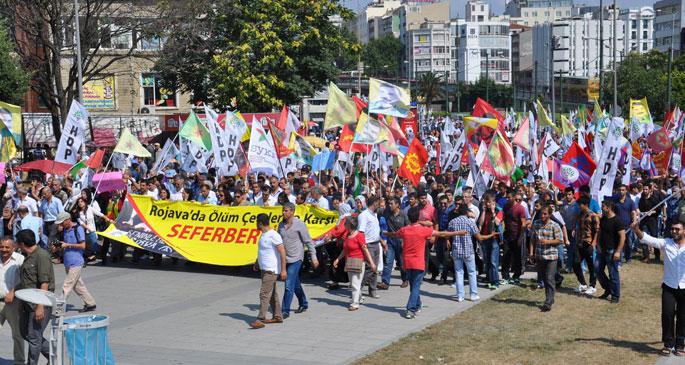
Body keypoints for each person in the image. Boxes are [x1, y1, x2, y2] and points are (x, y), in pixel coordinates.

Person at [633, 218, 685, 356]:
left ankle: (680, 344)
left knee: (683, 316)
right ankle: (668, 343)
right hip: (669, 286)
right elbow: (648, 239)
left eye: (677, 229)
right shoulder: (666, 243)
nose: (674, 231)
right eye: (672, 229)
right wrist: (636, 229)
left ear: (684, 231)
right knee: (667, 314)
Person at [16, 228, 55, 365]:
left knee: (34, 337)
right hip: (27, 303)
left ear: (21, 243)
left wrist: (40, 306)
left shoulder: (42, 256)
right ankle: (53, 354)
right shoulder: (27, 256)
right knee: (25, 333)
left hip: (39, 303)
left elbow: (44, 283)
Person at [278, 202, 318, 319]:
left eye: (285, 211)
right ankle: (303, 303)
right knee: (295, 284)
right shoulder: (280, 225)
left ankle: (285, 310)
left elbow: (309, 242)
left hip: (296, 259)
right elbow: (277, 242)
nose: (283, 213)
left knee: (288, 284)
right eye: (283, 210)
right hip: (285, 259)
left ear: (292, 212)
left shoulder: (300, 225)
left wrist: (314, 257)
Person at [54, 211, 97, 312]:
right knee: (78, 285)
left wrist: (67, 245)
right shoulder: (64, 231)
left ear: (68, 220)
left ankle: (59, 307)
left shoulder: (78, 228)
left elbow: (82, 246)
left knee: (67, 285)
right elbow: (64, 245)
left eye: (62, 223)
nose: (60, 225)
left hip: (76, 262)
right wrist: (58, 247)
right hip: (68, 262)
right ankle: (91, 303)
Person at [250, 213, 287, 329]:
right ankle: (277, 316)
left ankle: (260, 318)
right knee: (272, 295)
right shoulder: (263, 234)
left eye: (256, 222)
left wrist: (283, 270)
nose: (255, 224)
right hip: (264, 268)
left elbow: (282, 252)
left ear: (260, 223)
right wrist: (257, 262)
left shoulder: (273, 235)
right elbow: (262, 250)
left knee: (264, 293)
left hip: (271, 270)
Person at [333, 216, 377, 311]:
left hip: (358, 262)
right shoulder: (347, 236)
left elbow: (365, 250)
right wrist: (338, 259)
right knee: (353, 283)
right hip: (349, 262)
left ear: (349, 225)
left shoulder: (359, 235)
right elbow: (345, 250)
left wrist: (372, 263)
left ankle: (355, 303)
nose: (344, 225)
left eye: (345, 223)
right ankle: (359, 298)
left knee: (355, 284)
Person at [448, 204, 485, 302]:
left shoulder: (452, 222)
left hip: (456, 250)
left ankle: (460, 295)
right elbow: (478, 237)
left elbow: (448, 234)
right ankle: (473, 294)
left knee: (459, 272)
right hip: (468, 251)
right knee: (472, 272)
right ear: (466, 212)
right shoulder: (470, 222)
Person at [532, 205, 564, 312]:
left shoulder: (554, 225)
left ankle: (548, 302)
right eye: (542, 213)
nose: (543, 215)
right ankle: (550, 297)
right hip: (540, 256)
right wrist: (532, 253)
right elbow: (533, 239)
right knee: (545, 279)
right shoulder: (536, 224)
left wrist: (548, 242)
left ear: (550, 214)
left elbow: (560, 240)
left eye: (545, 214)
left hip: (551, 256)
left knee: (549, 278)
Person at [0, 236, 25, 364]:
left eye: (7, 247)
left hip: (13, 303)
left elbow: (26, 280)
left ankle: (20, 362)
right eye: (1, 246)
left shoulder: (20, 260)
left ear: (14, 247)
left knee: (17, 334)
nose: (3, 249)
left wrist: (13, 292)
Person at [596, 200, 625, 303]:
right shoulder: (603, 219)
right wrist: (598, 244)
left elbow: (622, 236)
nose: (601, 209)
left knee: (613, 274)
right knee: (598, 270)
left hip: (612, 250)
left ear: (608, 208)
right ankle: (608, 288)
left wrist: (618, 251)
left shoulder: (617, 220)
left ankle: (615, 295)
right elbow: (599, 232)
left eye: (603, 207)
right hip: (602, 250)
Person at [379, 196, 409, 289]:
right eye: (389, 203)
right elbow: (378, 209)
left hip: (401, 241)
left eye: (392, 203)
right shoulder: (386, 213)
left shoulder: (403, 214)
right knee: (388, 262)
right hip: (390, 241)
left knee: (402, 263)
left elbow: (408, 228)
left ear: (397, 205)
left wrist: (405, 241)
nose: (390, 205)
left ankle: (405, 280)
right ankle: (385, 282)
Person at [358, 196, 382, 299]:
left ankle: (372, 290)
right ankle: (358, 288)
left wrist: (382, 242)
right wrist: (364, 247)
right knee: (369, 268)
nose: (380, 205)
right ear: (374, 203)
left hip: (376, 244)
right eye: (378, 203)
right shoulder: (364, 215)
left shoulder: (374, 214)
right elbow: (361, 233)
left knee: (374, 269)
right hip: (368, 245)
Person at [574, 196, 598, 296]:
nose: (579, 206)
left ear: (586, 205)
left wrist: (593, 244)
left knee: (591, 266)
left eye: (580, 205)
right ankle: (583, 283)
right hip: (580, 243)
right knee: (575, 263)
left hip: (589, 243)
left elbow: (597, 231)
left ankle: (592, 286)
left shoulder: (593, 215)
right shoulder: (580, 214)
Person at [639, 182, 663, 262]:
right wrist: (643, 213)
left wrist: (652, 212)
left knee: (654, 237)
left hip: (653, 220)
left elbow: (659, 209)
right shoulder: (641, 199)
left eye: (646, 189)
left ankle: (657, 256)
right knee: (643, 237)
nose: (645, 191)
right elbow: (640, 209)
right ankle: (646, 256)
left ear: (649, 190)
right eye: (644, 189)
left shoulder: (654, 199)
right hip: (644, 221)